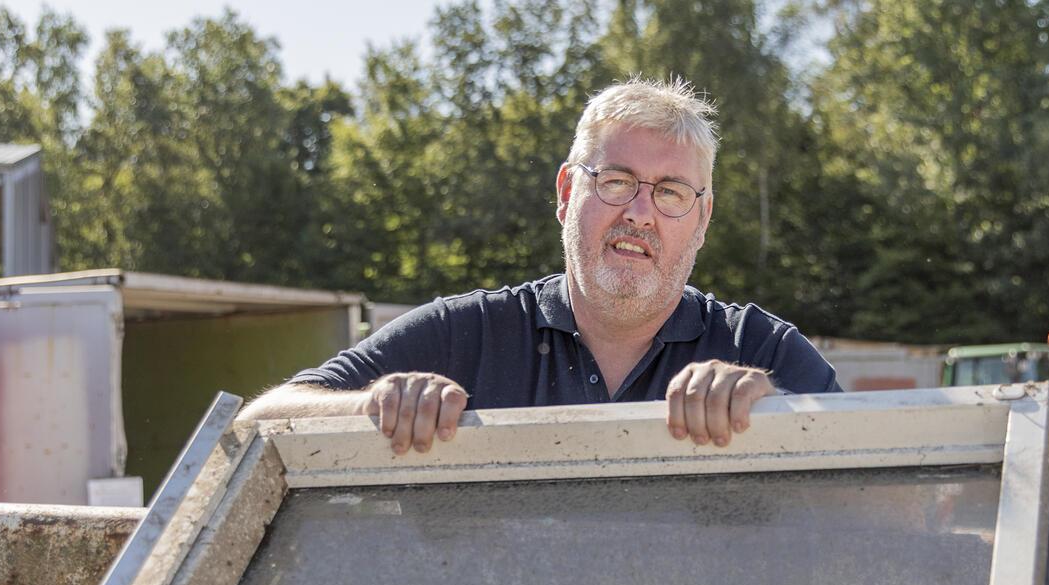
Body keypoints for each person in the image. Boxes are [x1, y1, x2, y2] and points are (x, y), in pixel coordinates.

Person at [239, 77, 842, 453]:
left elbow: (890, 505)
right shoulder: (465, 334)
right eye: (616, 181)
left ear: (702, 219)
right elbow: (255, 424)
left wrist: (778, 415)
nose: (640, 212)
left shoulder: (761, 353)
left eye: (670, 193)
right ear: (564, 194)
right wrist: (374, 406)